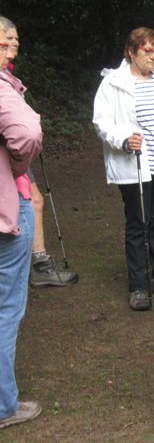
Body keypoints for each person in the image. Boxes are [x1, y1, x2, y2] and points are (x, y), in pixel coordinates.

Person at [92, 27, 154, 311]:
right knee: (138, 224)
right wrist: (123, 139)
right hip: (136, 164)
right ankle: (139, 286)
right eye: (147, 51)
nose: (153, 56)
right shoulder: (114, 83)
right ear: (131, 52)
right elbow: (101, 121)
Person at [0, 16, 78, 287]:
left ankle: (38, 261)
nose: (13, 45)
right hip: (11, 157)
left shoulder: (8, 73)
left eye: (16, 40)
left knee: (35, 201)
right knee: (33, 201)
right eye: (8, 40)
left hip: (14, 154)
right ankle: (37, 264)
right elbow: (24, 133)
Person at [0, 20, 43, 428]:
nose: (11, 51)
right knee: (5, 308)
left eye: (14, 43)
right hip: (5, 214)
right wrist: (15, 170)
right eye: (3, 44)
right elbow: (27, 134)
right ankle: (3, 406)